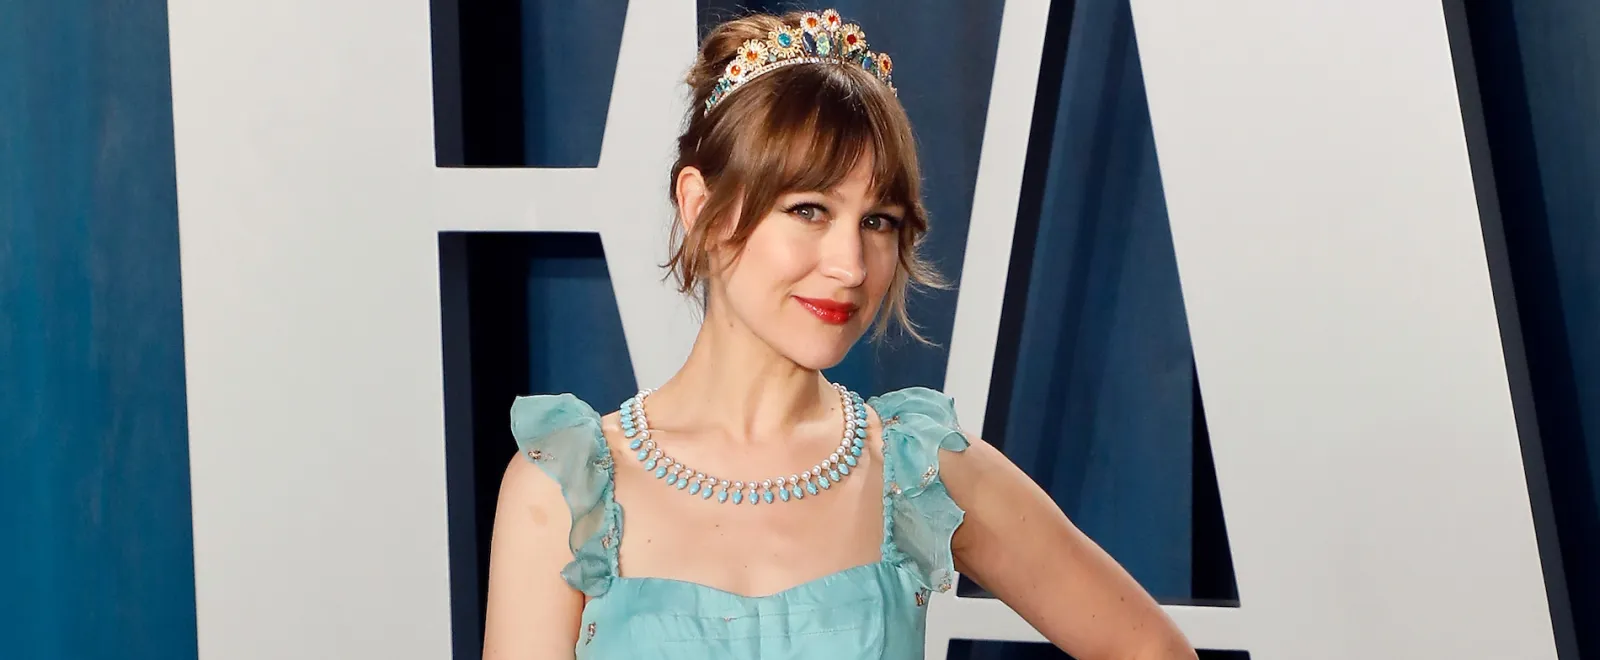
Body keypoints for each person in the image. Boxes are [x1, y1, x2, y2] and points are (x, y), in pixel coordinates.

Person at [482, 9, 1195, 659]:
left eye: (878, 221)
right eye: (809, 210)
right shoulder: (565, 487)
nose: (851, 266)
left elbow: (1150, 650)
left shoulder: (918, 468)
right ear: (701, 207)